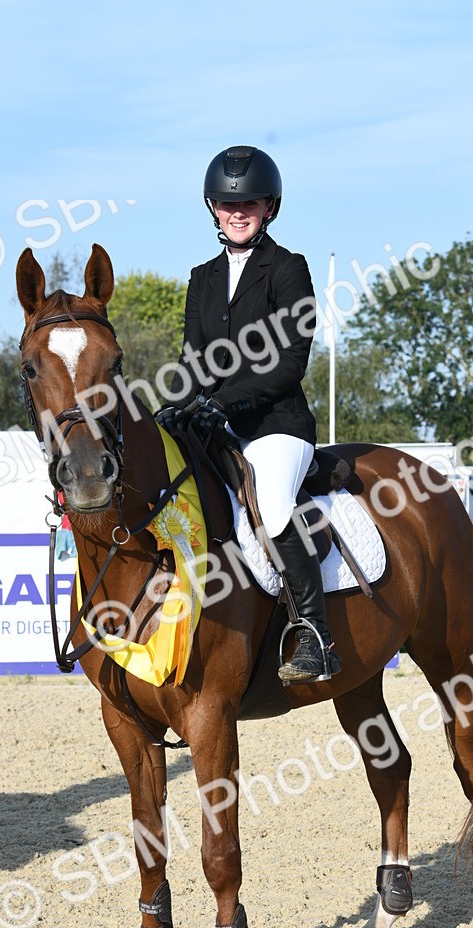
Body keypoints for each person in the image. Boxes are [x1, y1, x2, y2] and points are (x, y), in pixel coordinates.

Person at [156, 145, 341, 684]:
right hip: (214, 422)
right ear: (213, 207)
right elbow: (195, 361)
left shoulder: (288, 269)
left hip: (276, 424)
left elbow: (290, 363)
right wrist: (177, 408)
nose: (238, 213)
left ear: (269, 208)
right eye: (227, 203)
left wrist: (225, 403)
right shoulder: (202, 276)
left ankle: (314, 634)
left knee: (273, 504)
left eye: (250, 204)